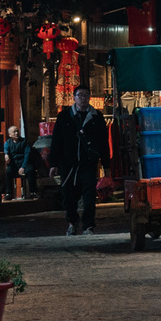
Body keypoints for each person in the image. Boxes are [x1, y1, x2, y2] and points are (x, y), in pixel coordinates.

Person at [46, 96, 107, 234]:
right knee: (68, 196)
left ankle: (88, 225)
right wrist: (53, 163)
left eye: (86, 95)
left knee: (89, 196)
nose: (83, 99)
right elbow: (56, 141)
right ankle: (72, 222)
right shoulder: (64, 116)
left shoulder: (96, 117)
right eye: (80, 95)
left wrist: (106, 164)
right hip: (68, 164)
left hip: (89, 163)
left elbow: (103, 142)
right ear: (74, 98)